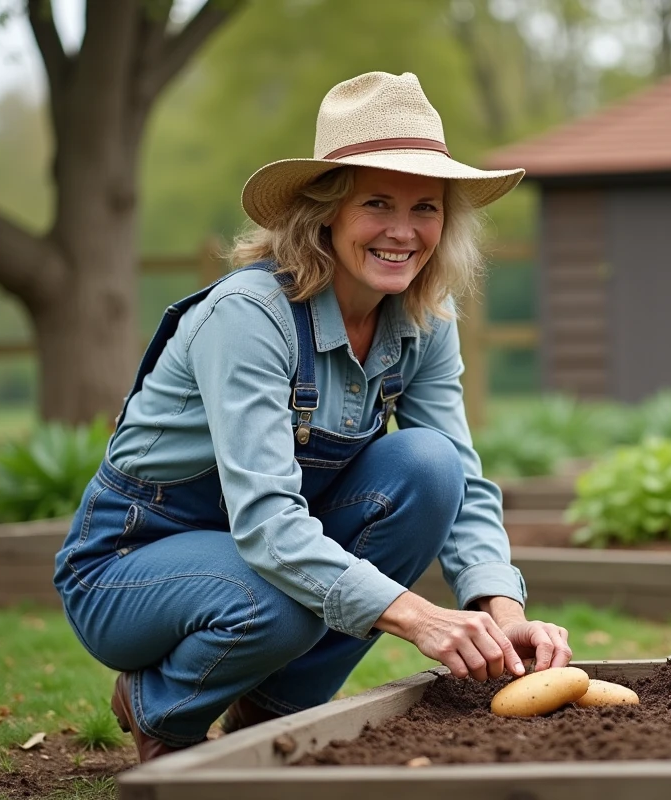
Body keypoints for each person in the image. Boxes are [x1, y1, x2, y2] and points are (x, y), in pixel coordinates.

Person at [53, 71, 573, 763]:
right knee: (283, 597)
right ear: (325, 210)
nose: (403, 231)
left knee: (430, 467)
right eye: (378, 203)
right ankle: (161, 711)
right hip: (132, 563)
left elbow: (465, 487)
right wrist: (421, 619)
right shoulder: (250, 317)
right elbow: (270, 527)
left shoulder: (422, 319)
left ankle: (269, 715)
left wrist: (503, 610)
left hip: (260, 551)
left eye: (426, 207)